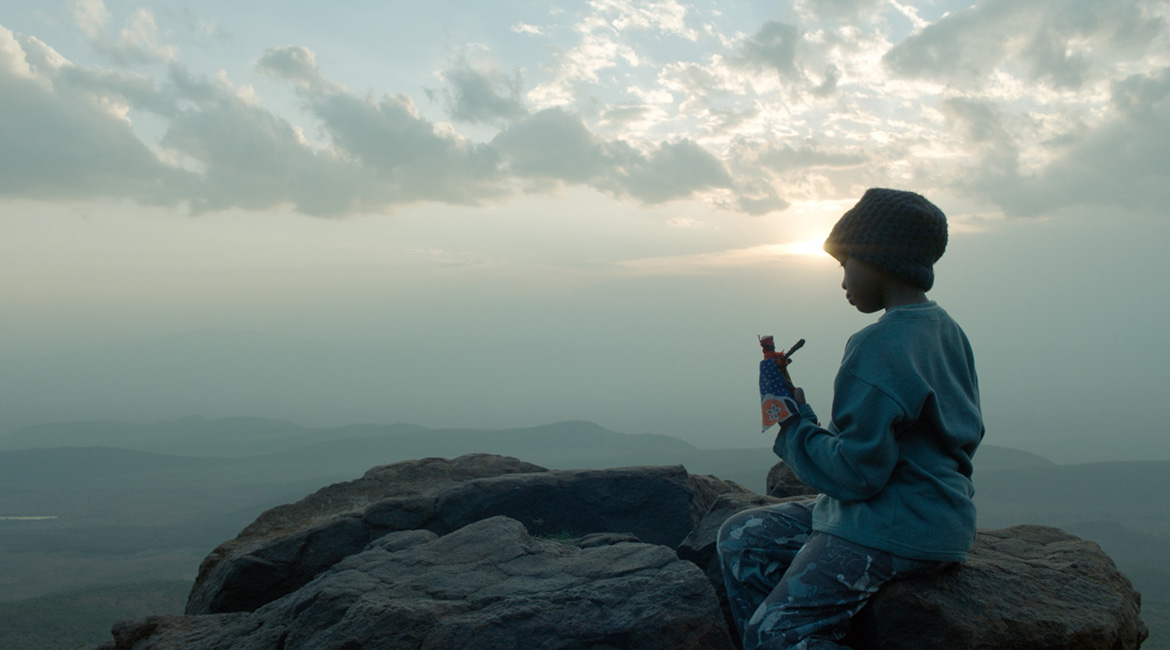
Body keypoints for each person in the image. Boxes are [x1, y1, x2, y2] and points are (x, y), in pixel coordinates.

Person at [717, 188, 984, 650]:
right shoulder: (946, 329)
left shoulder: (876, 346)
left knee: (773, 634)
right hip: (939, 515)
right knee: (742, 535)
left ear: (880, 261)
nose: (842, 281)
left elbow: (856, 474)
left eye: (845, 265)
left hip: (891, 526)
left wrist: (793, 424)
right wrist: (805, 415)